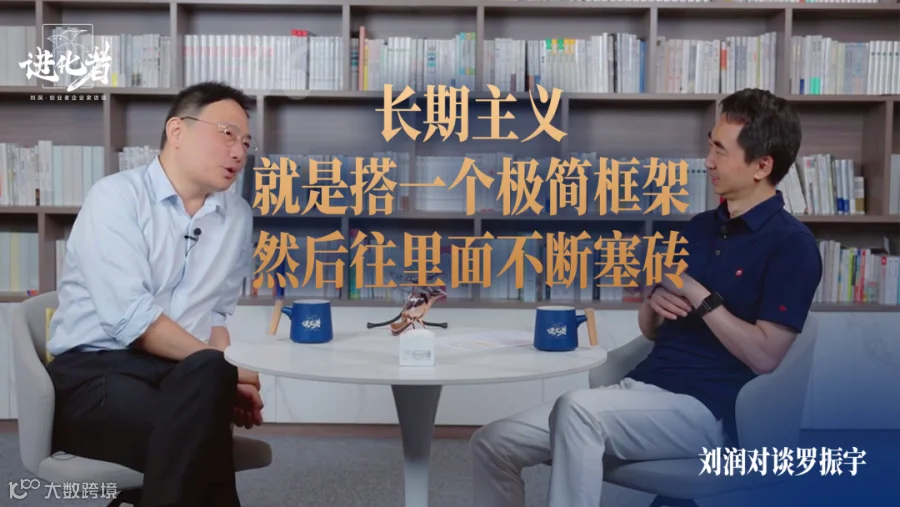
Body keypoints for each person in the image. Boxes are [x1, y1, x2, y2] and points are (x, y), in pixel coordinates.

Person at [470, 88, 824, 507]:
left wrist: (697, 292)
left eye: (721, 151)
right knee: (492, 441)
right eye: (710, 145)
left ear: (762, 165)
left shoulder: (792, 245)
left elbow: (765, 357)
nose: (708, 161)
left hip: (706, 412)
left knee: (576, 410)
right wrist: (653, 303)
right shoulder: (699, 227)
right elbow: (652, 331)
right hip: (640, 389)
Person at [46, 81, 263, 507]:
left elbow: (217, 317)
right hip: (98, 375)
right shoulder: (116, 197)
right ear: (177, 131)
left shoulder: (237, 216)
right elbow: (132, 322)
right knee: (201, 436)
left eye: (245, 142)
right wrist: (230, 373)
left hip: (183, 375)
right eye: (227, 134)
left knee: (207, 383)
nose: (239, 152)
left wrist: (225, 377)